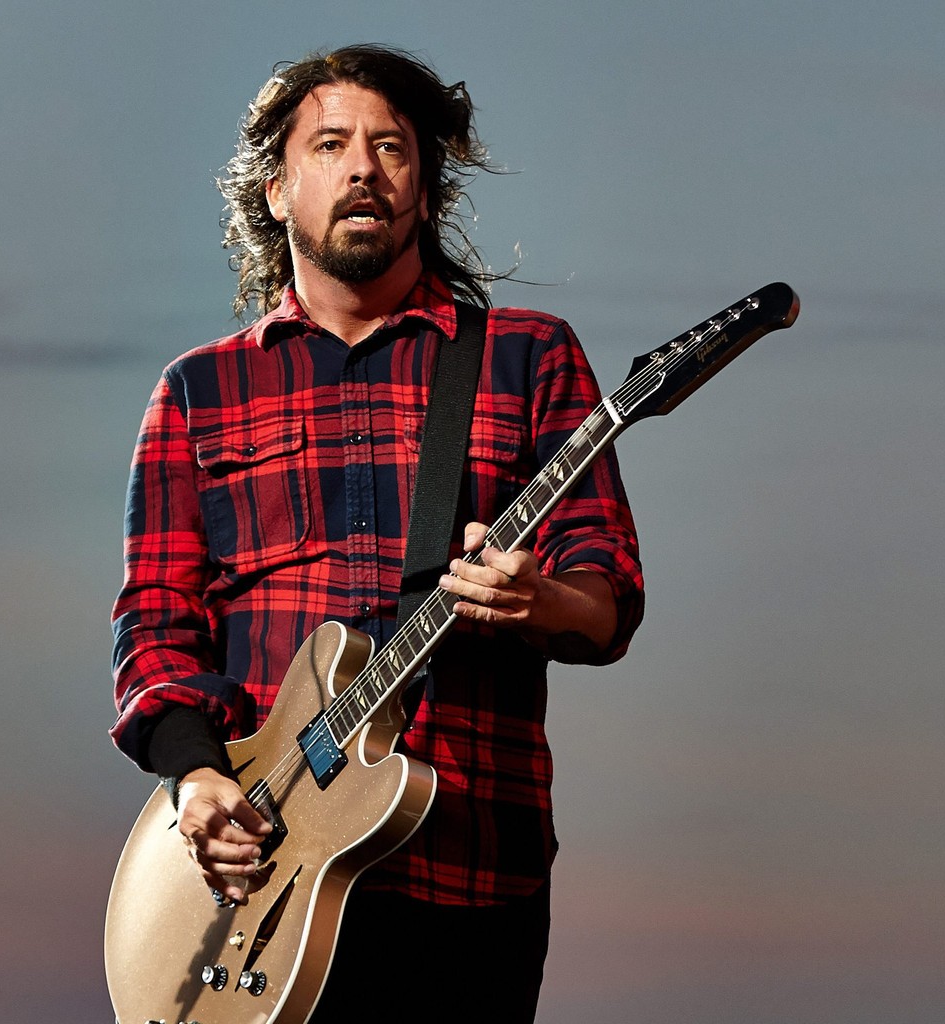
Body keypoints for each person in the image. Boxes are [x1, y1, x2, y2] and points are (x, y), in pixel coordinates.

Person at [110, 44, 644, 1021]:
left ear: (425, 194)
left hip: (467, 873)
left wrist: (538, 600)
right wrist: (195, 777)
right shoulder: (198, 392)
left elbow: (605, 600)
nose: (363, 167)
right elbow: (155, 624)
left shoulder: (528, 358)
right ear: (277, 191)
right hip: (261, 883)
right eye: (331, 144)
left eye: (392, 147)